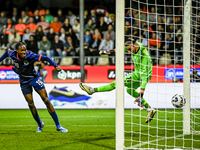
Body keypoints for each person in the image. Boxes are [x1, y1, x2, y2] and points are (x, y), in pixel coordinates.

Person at [80, 40, 157, 123]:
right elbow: (120, 49)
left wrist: (141, 95)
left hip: (140, 76)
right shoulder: (134, 47)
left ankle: (92, 90)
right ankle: (150, 109)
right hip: (138, 74)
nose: (129, 52)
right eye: (127, 50)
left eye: (130, 49)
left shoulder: (144, 57)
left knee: (116, 83)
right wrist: (109, 51)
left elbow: (144, 80)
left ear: (135, 45)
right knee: (129, 90)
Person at [0, 42, 68, 133]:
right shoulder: (12, 54)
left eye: (25, 50)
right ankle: (39, 124)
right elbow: (6, 53)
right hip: (24, 81)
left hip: (34, 78)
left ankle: (58, 126)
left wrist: (55, 66)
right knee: (31, 103)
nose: (24, 52)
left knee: (46, 100)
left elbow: (46, 58)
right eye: (22, 51)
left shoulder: (30, 55)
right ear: (17, 51)